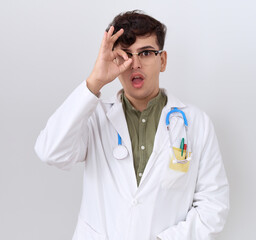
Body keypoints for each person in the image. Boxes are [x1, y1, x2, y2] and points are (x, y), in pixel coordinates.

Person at [35, 10, 229, 240]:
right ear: (115, 60)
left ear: (162, 60)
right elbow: (50, 151)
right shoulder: (94, 118)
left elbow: (213, 205)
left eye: (145, 53)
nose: (135, 64)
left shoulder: (196, 123)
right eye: (125, 55)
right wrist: (95, 81)